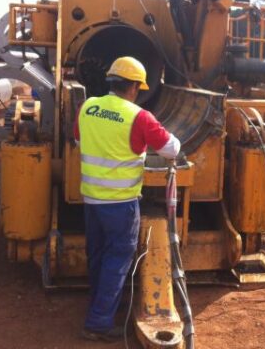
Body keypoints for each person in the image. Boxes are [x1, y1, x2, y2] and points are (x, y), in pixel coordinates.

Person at [75, 56, 180, 342]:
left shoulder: (87, 107)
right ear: (134, 86)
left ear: (111, 81)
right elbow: (171, 149)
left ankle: (100, 303)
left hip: (92, 200)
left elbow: (79, 141)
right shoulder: (139, 116)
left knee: (97, 254)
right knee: (118, 259)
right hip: (120, 203)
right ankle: (98, 322)